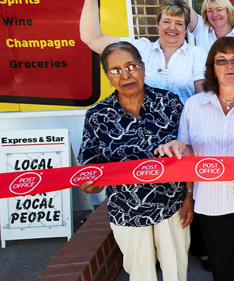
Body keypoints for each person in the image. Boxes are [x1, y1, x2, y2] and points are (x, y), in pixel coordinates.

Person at [160, 37, 234, 281]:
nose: (230, 66)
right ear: (212, 67)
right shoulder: (194, 105)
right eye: (221, 61)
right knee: (222, 268)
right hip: (211, 201)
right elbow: (189, 153)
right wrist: (188, 192)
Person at [78, 41, 192, 281]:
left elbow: (188, 149)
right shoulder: (97, 116)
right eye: (116, 70)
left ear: (143, 68)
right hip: (126, 210)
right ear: (108, 77)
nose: (126, 75)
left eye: (131, 66)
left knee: (177, 272)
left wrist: (190, 194)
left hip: (171, 205)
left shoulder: (169, 103)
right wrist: (92, 183)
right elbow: (90, 164)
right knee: (141, 274)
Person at [80, 0, 206, 105]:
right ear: (157, 24)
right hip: (144, 123)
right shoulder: (141, 48)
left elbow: (201, 100)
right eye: (167, 21)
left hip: (182, 124)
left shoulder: (196, 54)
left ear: (185, 28)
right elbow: (92, 38)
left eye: (179, 23)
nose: (172, 28)